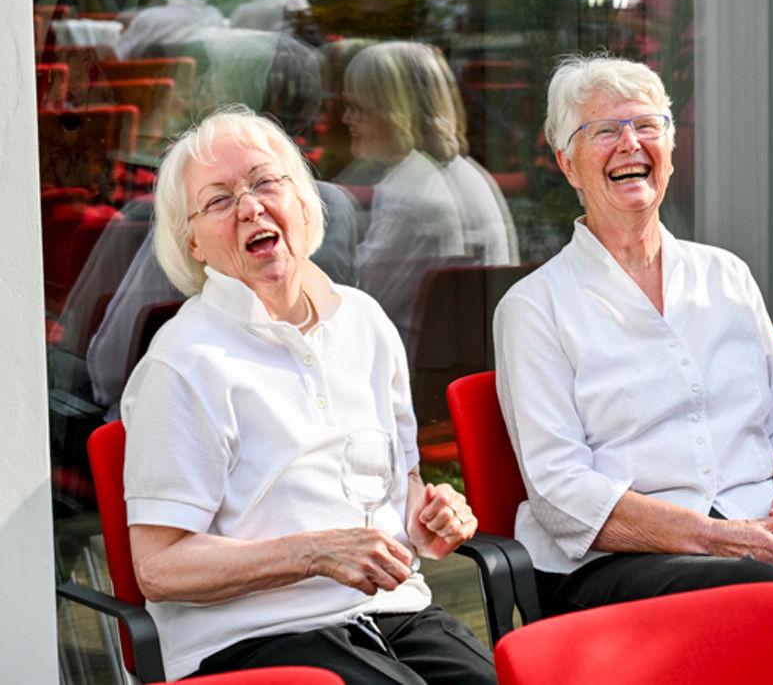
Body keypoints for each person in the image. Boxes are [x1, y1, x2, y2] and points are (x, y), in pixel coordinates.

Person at [492, 53, 773, 685]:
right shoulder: (534, 308)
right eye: (604, 131)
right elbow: (562, 494)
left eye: (648, 126)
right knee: (771, 591)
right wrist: (720, 539)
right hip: (615, 567)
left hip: (766, 543)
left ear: (669, 147)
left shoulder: (726, 274)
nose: (630, 144)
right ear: (566, 163)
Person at [119, 106, 494, 684]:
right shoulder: (184, 361)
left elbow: (401, 485)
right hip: (252, 641)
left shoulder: (365, 321)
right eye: (219, 200)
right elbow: (159, 567)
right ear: (191, 241)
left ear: (302, 200)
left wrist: (427, 518)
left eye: (266, 182)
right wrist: (314, 554)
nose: (250, 206)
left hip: (393, 616)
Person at [340, 43, 475, 342]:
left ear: (396, 111)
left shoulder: (412, 194)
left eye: (358, 107)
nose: (347, 119)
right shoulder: (458, 172)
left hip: (412, 367)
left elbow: (359, 300)